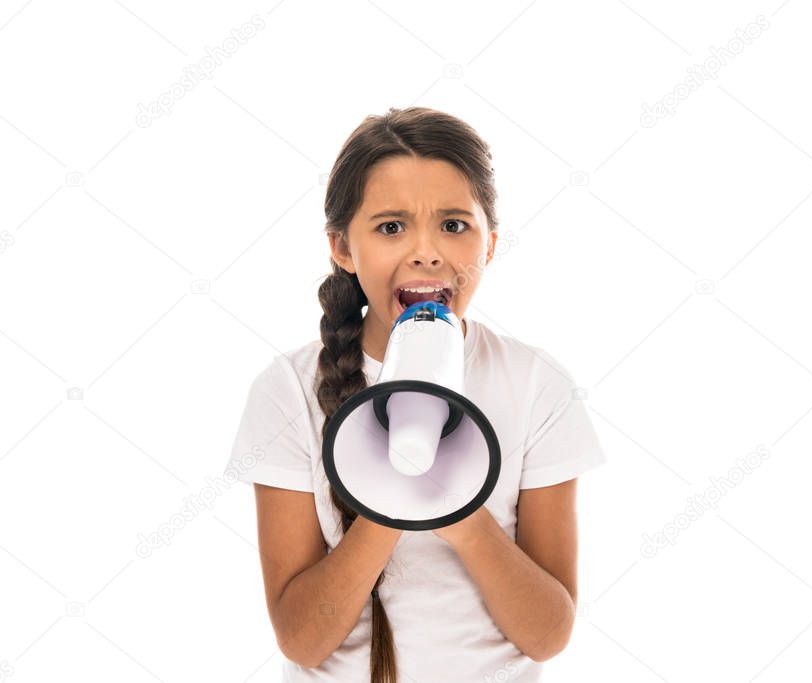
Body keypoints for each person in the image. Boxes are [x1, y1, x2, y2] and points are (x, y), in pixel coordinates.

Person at [226, 106, 607, 682]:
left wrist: (456, 510)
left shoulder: (534, 385)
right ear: (342, 247)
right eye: (390, 227)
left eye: (454, 226)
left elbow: (548, 634)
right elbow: (303, 641)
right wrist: (390, 497)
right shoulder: (286, 390)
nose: (427, 252)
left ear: (491, 243)